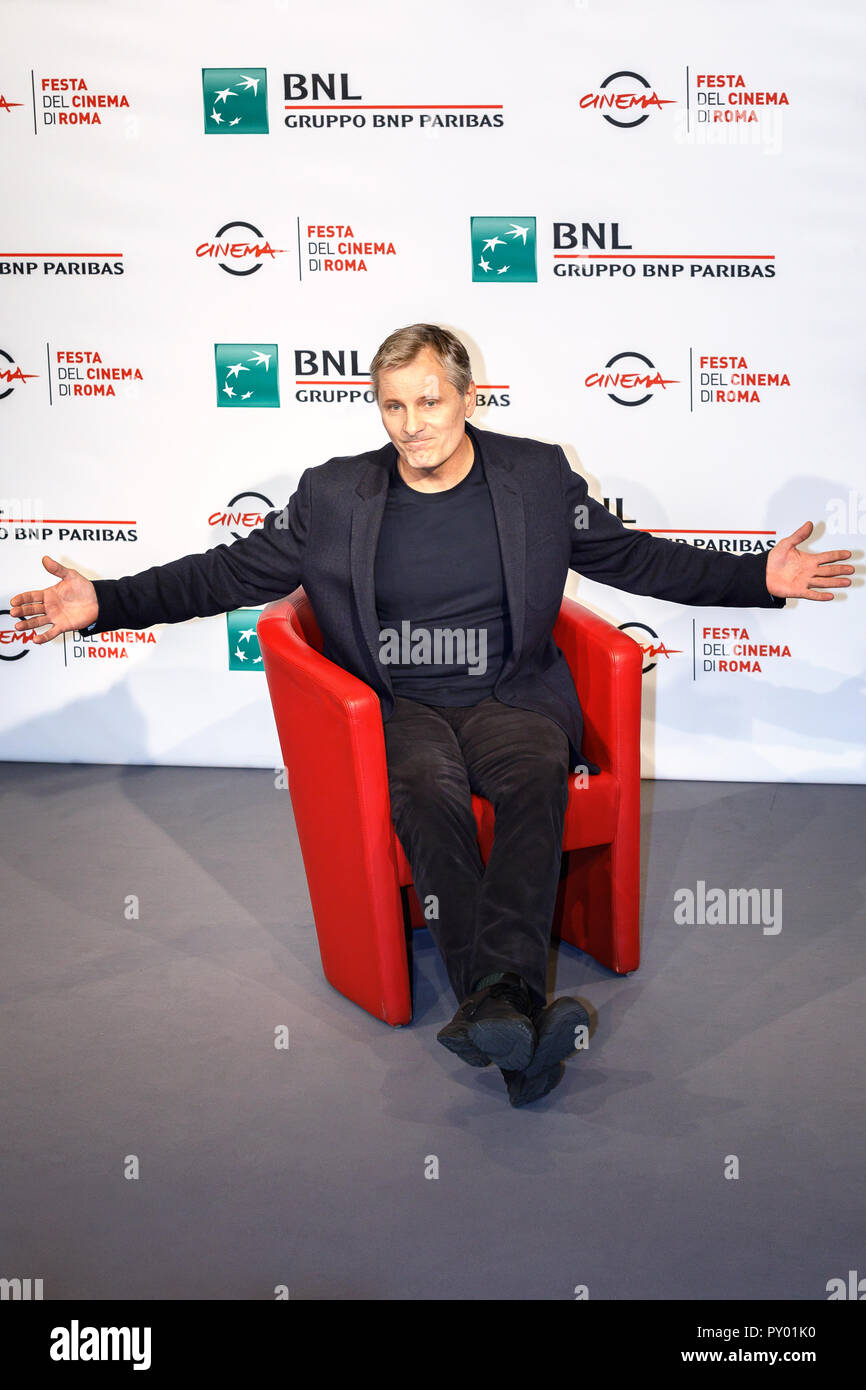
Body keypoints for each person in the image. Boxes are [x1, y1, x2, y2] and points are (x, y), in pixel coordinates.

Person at [10, 323, 855, 1107]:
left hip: (510, 696)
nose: (411, 424)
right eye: (392, 405)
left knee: (533, 783)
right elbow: (224, 577)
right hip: (399, 704)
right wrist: (106, 602)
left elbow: (632, 559)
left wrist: (758, 582)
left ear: (467, 397)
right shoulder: (337, 495)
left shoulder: (533, 477)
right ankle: (518, 1021)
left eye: (428, 400)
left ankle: (500, 1014)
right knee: (427, 792)